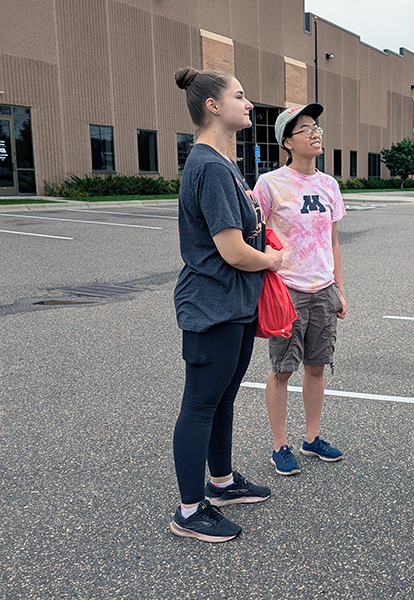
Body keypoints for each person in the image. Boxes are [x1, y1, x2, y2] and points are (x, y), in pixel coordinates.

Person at [170, 67, 282, 542]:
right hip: (211, 307)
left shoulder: (222, 162)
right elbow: (233, 250)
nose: (249, 103)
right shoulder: (211, 166)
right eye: (240, 96)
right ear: (213, 106)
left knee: (223, 399)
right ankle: (190, 511)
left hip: (232, 305)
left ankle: (221, 484)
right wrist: (274, 259)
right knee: (200, 405)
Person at [253, 103, 347, 476]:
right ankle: (280, 446)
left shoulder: (329, 185)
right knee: (282, 369)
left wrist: (339, 289)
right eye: (305, 129)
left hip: (322, 288)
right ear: (287, 142)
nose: (315, 133)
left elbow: (334, 242)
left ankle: (312, 438)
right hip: (287, 289)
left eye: (317, 126)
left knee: (317, 367)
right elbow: (255, 235)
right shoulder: (270, 184)